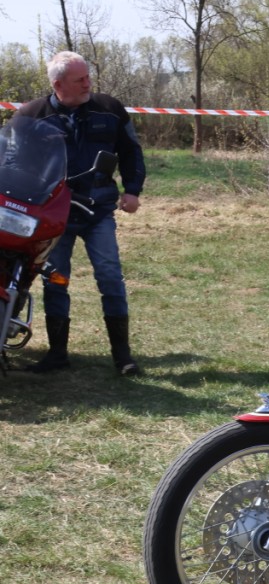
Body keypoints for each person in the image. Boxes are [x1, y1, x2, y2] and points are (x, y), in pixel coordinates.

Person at [15, 51, 145, 376]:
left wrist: (132, 190)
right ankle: (57, 354)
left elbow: (131, 151)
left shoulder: (110, 109)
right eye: (80, 79)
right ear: (58, 84)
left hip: (98, 210)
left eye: (88, 76)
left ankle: (123, 357)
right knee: (55, 280)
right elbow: (12, 163)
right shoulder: (30, 116)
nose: (88, 83)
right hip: (54, 216)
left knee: (110, 276)